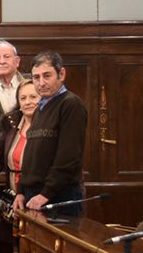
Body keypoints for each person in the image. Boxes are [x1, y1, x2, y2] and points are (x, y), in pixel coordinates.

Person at [14, 51, 88, 216]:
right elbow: (31, 155)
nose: (41, 82)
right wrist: (21, 190)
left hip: (59, 196)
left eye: (47, 75)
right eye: (36, 77)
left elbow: (69, 157)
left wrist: (45, 194)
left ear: (61, 74)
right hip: (34, 195)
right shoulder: (41, 106)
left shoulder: (71, 104)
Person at [0, 79, 39, 253]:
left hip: (39, 201)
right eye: (24, 98)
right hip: (16, 201)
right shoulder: (13, 127)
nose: (29, 102)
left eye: (33, 96)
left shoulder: (48, 127)